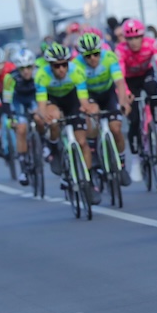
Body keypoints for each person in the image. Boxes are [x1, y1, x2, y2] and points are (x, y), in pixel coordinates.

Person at [36, 43, 101, 204]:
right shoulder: (42, 75)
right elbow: (42, 106)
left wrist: (87, 110)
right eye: (57, 66)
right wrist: (45, 117)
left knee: (82, 142)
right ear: (50, 66)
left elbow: (83, 100)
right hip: (53, 100)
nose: (61, 69)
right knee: (54, 118)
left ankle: (88, 181)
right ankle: (54, 149)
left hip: (72, 100)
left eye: (64, 64)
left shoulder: (76, 71)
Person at [115, 18, 157, 183]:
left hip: (145, 75)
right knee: (134, 120)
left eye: (137, 37)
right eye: (130, 38)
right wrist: (126, 93)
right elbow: (119, 76)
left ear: (143, 36)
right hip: (129, 81)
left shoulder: (151, 44)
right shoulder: (120, 50)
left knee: (152, 88)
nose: (134, 42)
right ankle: (135, 161)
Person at [75, 32, 132, 187]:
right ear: (82, 56)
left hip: (108, 93)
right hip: (90, 94)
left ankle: (121, 164)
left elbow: (119, 82)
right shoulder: (77, 65)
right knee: (92, 116)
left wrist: (123, 102)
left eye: (96, 54)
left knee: (116, 128)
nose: (93, 58)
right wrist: (86, 107)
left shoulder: (109, 57)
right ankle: (93, 151)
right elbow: (80, 91)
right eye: (88, 56)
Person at [2, 49, 37, 185]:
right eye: (22, 68)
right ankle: (23, 168)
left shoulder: (39, 73)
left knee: (40, 119)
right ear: (17, 68)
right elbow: (6, 101)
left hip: (34, 98)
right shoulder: (10, 78)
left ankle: (45, 146)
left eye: (28, 67)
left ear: (33, 66)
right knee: (21, 129)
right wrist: (11, 118)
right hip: (18, 102)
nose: (26, 71)